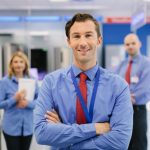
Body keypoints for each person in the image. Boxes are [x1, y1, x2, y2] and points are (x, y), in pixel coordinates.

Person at [34, 13, 133, 150]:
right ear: (69, 41)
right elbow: (42, 133)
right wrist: (95, 128)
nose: (82, 42)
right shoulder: (51, 83)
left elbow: (120, 141)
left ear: (99, 40)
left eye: (88, 35)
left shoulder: (118, 86)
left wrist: (65, 136)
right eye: (76, 36)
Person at [115, 33, 150, 150]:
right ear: (124, 47)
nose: (130, 46)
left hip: (138, 111)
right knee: (124, 144)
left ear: (139, 44)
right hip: (121, 112)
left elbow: (145, 89)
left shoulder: (147, 63)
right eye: (127, 44)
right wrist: (123, 98)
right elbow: (115, 86)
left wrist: (122, 98)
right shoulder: (121, 64)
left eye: (133, 43)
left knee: (139, 144)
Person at [0, 51, 38, 150]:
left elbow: (40, 102)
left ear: (25, 64)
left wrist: (28, 104)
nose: (18, 64)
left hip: (28, 127)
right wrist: (14, 99)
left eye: (21, 61)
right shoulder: (4, 82)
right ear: (11, 65)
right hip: (10, 128)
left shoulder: (33, 80)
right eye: (15, 62)